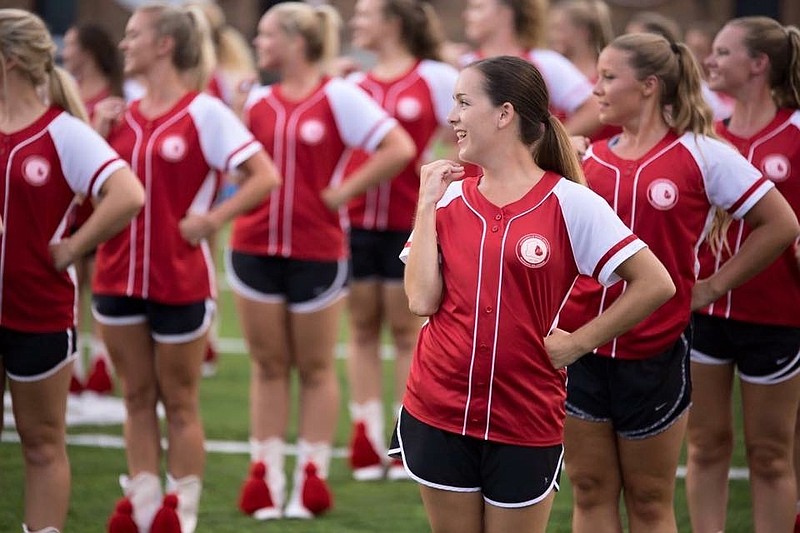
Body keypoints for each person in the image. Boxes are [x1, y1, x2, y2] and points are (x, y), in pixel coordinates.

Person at [391, 54, 675, 533]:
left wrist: (580, 342)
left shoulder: (572, 202)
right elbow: (420, 300)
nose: (452, 117)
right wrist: (425, 204)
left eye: (463, 103)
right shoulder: (448, 197)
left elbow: (656, 283)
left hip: (523, 415)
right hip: (436, 406)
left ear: (504, 114)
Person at [556, 32, 799, 533]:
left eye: (607, 77)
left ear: (648, 86)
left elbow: (780, 224)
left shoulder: (703, 155)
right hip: (581, 348)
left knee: (648, 499)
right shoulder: (585, 159)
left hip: (656, 351)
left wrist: (711, 287)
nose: (594, 89)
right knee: (590, 489)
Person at [91, 4, 278, 532]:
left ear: (164, 45)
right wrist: (97, 133)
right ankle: (144, 507)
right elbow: (89, 194)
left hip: (180, 281)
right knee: (134, 396)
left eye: (133, 35)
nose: (123, 45)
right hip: (116, 277)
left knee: (179, 401)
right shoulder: (115, 115)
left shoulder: (205, 112)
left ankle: (181, 515)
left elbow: (263, 176)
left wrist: (212, 217)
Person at [230, 1, 415, 521]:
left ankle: (309, 479)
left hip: (318, 250)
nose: (259, 44)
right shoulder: (257, 100)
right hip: (253, 247)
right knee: (267, 366)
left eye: (267, 35)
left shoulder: (338, 96)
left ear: (296, 41)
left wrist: (345, 191)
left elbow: (397, 147)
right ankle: (263, 478)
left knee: (313, 368)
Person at [0, 9, 144, 533]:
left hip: (39, 312)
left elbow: (128, 194)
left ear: (10, 60)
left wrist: (70, 249)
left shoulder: (63, 132)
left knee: (41, 442)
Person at [685, 16, 800, 533]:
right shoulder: (708, 137)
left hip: (778, 313)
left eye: (724, 52)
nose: (710, 61)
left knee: (771, 452)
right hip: (704, 310)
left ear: (759, 64)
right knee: (705, 444)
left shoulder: (796, 132)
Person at [343, 0, 458, 482]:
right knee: (362, 328)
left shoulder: (433, 75)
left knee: (408, 329)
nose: (355, 23)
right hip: (354, 222)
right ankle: (366, 439)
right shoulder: (352, 83)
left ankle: (407, 438)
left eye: (364, 15)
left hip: (412, 222)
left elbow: (461, 133)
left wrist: (440, 180)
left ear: (393, 22)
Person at [184, 0, 261, 378]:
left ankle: (202, 336)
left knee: (200, 253)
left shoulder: (212, 76)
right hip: (195, 172)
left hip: (202, 175)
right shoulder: (211, 73)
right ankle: (203, 338)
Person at [61, 22, 126, 395]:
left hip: (103, 205)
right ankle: (71, 364)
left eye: (70, 43)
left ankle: (103, 361)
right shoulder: (62, 91)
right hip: (70, 206)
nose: (66, 50)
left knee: (100, 288)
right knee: (71, 289)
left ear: (88, 50)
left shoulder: (120, 93)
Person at [456, 0, 602, 138]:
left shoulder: (546, 62)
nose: (466, 15)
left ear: (505, 13)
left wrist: (550, 144)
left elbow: (594, 108)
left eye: (477, 8)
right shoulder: (461, 64)